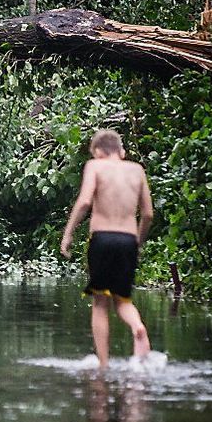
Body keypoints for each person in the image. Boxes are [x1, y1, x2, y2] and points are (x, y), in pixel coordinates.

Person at [60, 130, 153, 368]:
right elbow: (148, 214)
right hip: (128, 240)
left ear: (98, 152)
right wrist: (137, 243)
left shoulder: (95, 166)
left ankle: (103, 365)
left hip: (102, 238)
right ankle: (137, 327)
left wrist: (68, 233)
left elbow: (84, 202)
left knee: (101, 303)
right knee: (122, 299)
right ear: (121, 152)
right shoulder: (137, 170)